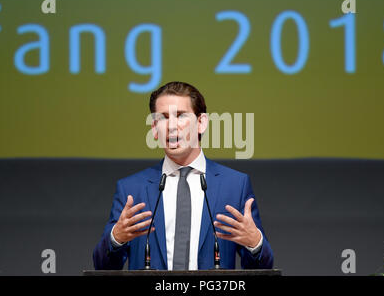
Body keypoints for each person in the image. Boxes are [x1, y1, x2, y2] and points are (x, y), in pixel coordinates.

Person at [93, 81, 274, 270]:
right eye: (163, 118)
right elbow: (102, 267)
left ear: (201, 123)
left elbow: (262, 269)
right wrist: (116, 239)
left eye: (180, 116)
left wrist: (255, 243)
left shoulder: (235, 185)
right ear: (154, 129)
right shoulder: (131, 189)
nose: (171, 126)